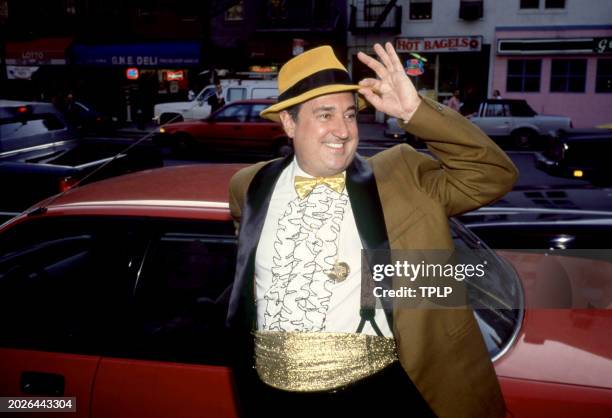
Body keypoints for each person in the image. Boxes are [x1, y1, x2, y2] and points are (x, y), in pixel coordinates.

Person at [227, 43, 518, 418]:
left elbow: (494, 175)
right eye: (325, 114)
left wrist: (415, 112)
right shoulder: (249, 186)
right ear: (289, 122)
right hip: (276, 395)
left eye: (350, 115)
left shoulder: (399, 173)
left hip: (377, 389)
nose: (343, 130)